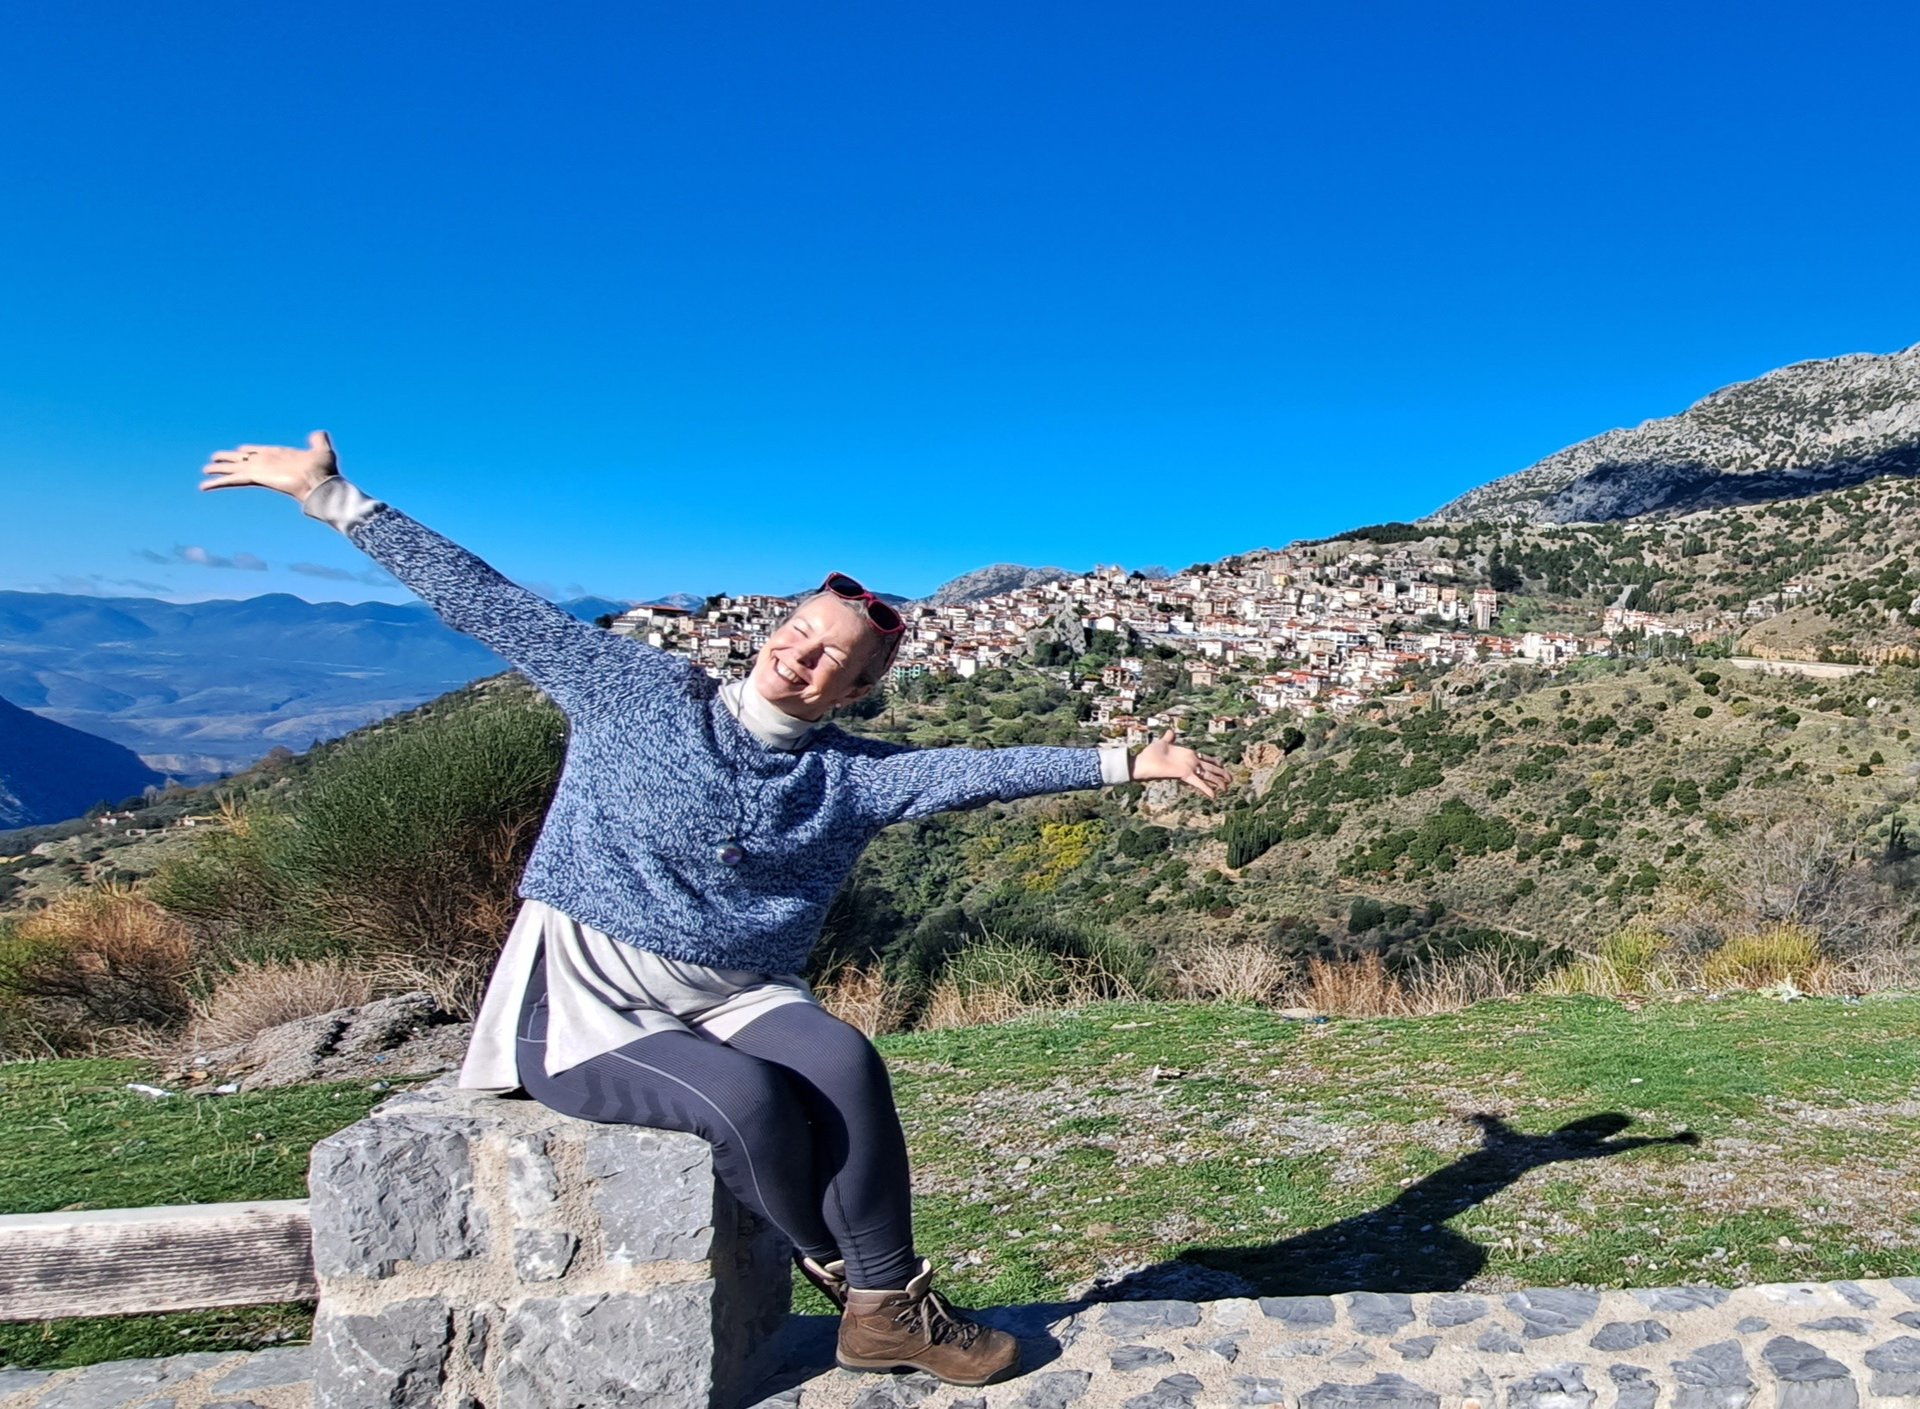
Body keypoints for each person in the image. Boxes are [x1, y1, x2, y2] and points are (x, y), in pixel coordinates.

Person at [201, 431, 1233, 1386]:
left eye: (833, 656)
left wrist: (1130, 760)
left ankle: (889, 1308)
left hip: (732, 987)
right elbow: (490, 602)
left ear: (857, 690)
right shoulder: (637, 693)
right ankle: (835, 1266)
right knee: (749, 1101)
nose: (802, 654)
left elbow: (975, 769)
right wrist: (338, 499)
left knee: (846, 1062)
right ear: (773, 630)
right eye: (798, 630)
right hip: (586, 999)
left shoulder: (849, 777)